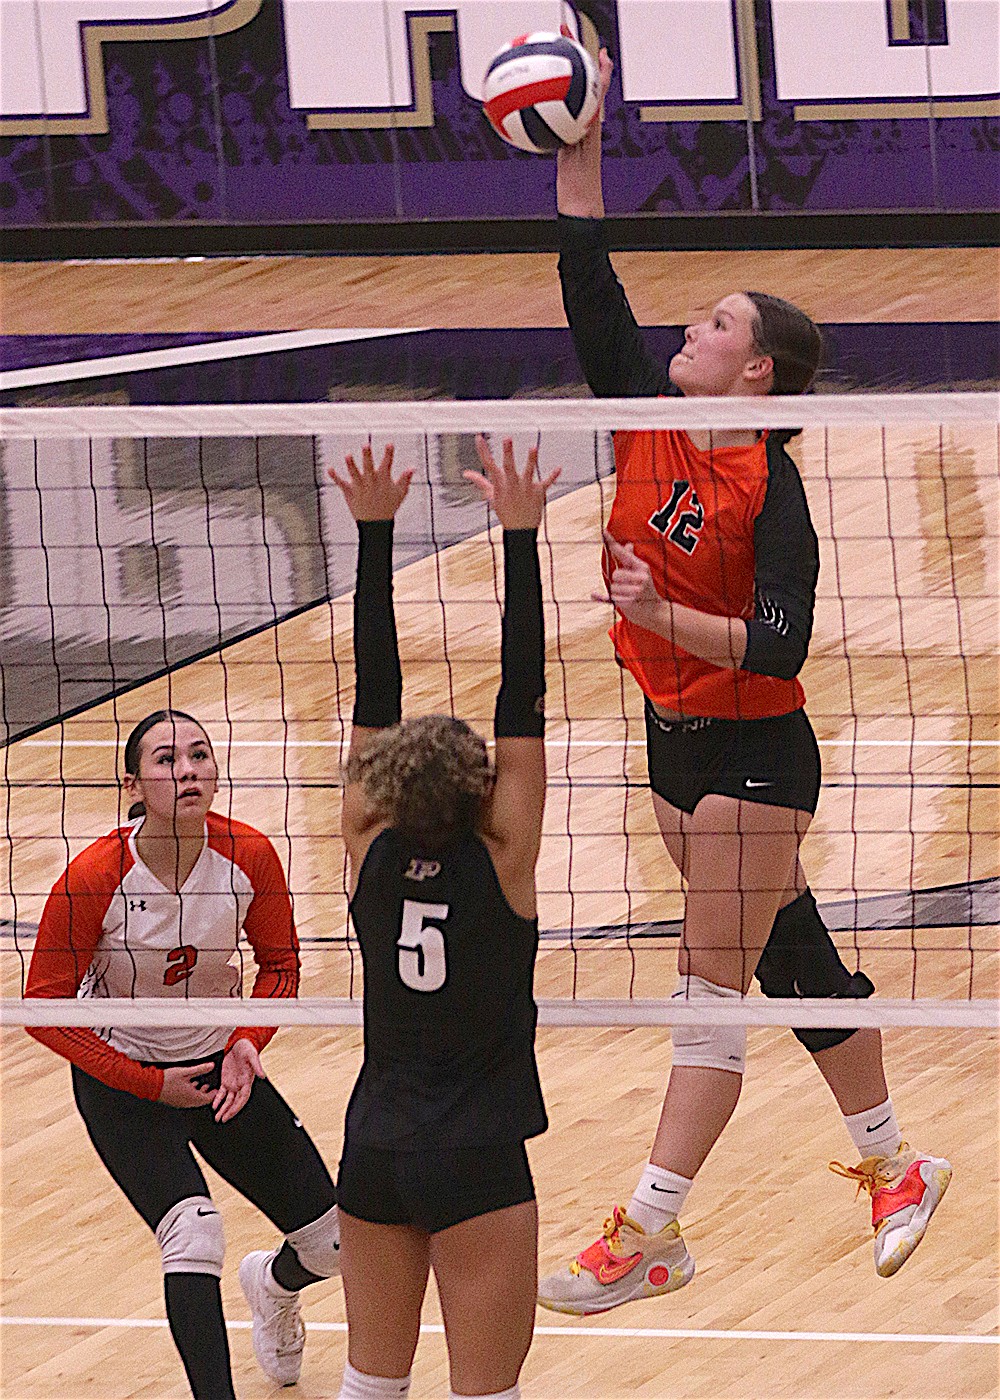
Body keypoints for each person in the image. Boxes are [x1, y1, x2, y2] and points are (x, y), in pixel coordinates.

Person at [536, 37, 951, 1316]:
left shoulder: (772, 490)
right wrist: (583, 144)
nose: (686, 328)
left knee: (706, 988)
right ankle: (898, 1162)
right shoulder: (641, 413)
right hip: (672, 742)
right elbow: (589, 285)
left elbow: (778, 644)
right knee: (792, 966)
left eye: (713, 324)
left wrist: (667, 608)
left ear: (755, 368)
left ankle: (653, 1229)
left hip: (761, 746)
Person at [327, 437, 557, 1400]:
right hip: (475, 1151)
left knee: (370, 1385)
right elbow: (526, 698)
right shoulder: (504, 858)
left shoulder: (367, 846)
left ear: (379, 787)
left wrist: (373, 537)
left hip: (375, 1146)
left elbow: (374, 692)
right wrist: (519, 537)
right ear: (483, 790)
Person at [24, 709, 341, 1396]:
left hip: (215, 1069)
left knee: (335, 1244)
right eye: (167, 760)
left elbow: (280, 966)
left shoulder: (249, 856)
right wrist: (145, 1083)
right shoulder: (95, 875)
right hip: (122, 1082)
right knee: (194, 1234)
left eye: (200, 755)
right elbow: (41, 1007)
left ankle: (274, 1285)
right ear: (134, 781)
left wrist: (245, 1044)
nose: (188, 769)